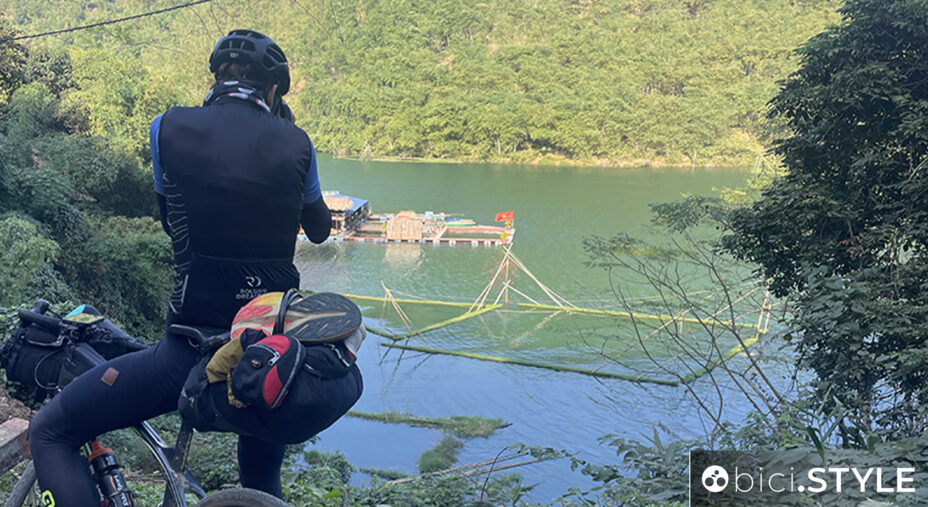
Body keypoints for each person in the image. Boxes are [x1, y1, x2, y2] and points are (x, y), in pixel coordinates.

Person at [28, 29, 355, 504]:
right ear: (272, 90)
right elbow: (321, 229)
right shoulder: (297, 143)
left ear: (216, 79)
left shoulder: (166, 127)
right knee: (260, 477)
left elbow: (172, 221)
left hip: (187, 353)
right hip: (266, 355)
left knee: (50, 430)